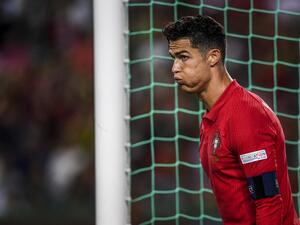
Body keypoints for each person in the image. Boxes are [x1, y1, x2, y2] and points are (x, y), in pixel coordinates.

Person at [162, 15, 299, 225]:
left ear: (213, 57)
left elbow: (268, 201)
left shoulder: (246, 115)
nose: (175, 68)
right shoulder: (212, 117)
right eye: (174, 58)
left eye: (184, 57)